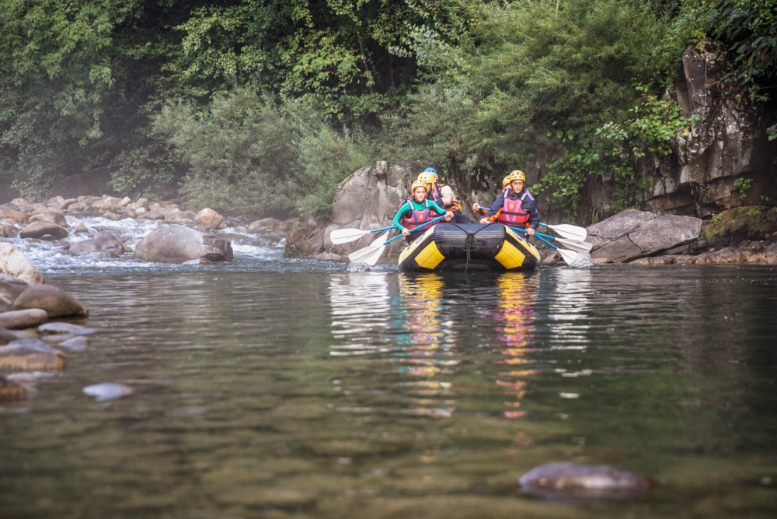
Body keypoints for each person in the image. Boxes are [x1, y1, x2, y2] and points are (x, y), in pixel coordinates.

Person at [479, 170, 540, 235]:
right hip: (503, 231)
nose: (518, 186)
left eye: (520, 183)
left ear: (523, 184)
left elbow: (535, 219)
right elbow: (494, 210)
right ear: (511, 184)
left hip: (520, 233)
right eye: (515, 183)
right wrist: (485, 218)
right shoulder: (504, 195)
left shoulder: (529, 199)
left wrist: (532, 227)